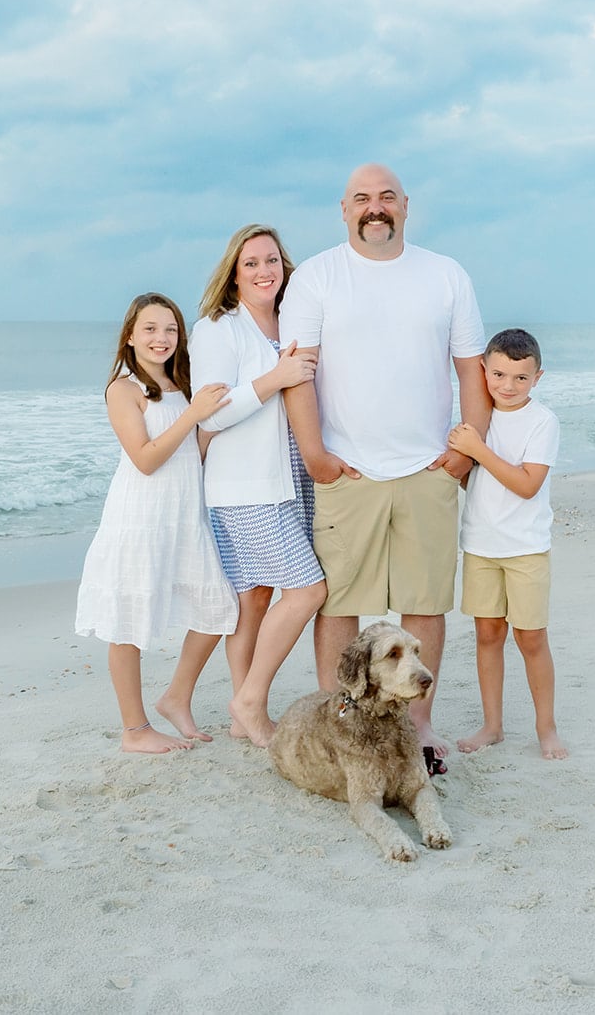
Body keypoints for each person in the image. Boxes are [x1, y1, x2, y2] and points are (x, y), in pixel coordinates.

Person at [279, 163, 490, 763]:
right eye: (363, 199)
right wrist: (315, 454)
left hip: (429, 469)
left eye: (387, 198)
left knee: (423, 603)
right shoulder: (318, 277)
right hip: (348, 472)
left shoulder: (445, 275)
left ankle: (416, 729)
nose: (376, 207)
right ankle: (335, 724)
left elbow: (470, 368)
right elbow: (301, 372)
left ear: (406, 207)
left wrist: (462, 453)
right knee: (341, 604)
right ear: (344, 210)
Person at [75, 293, 239, 754]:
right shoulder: (123, 390)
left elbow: (194, 451)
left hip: (186, 516)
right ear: (130, 336)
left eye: (170, 329)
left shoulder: (186, 385)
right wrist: (193, 415)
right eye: (149, 329)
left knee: (217, 610)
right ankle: (134, 730)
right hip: (140, 519)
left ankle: (176, 698)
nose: (161, 338)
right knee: (127, 622)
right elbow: (145, 460)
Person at [190, 225, 327, 748]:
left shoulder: (289, 320)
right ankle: (248, 701)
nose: (264, 270)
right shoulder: (217, 329)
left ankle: (242, 713)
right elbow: (213, 413)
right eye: (251, 263)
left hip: (288, 477)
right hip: (244, 486)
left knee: (255, 598)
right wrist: (278, 375)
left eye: (272, 260)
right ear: (234, 274)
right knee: (308, 589)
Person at [445, 328, 567, 760]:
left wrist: (478, 450)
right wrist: (465, 456)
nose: (507, 386)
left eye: (520, 378)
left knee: (531, 638)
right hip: (480, 543)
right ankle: (492, 726)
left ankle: (546, 728)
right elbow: (468, 479)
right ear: (483, 370)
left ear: (537, 377)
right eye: (498, 375)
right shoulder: (477, 420)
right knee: (488, 635)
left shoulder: (542, 421)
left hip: (525, 549)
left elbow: (527, 485)